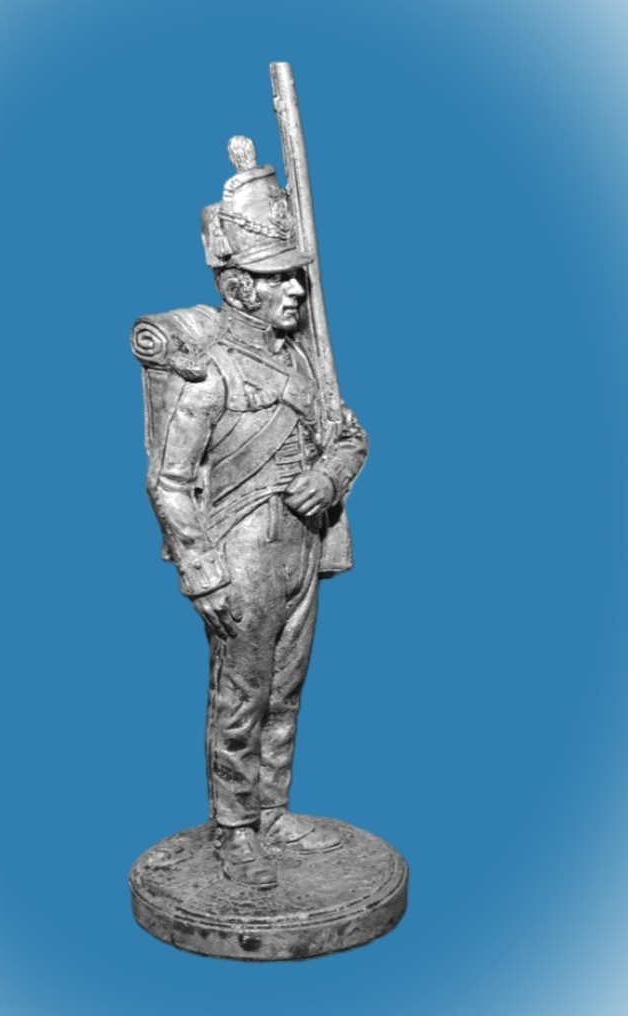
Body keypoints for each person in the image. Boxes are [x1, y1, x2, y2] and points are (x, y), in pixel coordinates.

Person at [131, 138, 367, 888]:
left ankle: (272, 810)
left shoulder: (303, 360)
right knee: (242, 695)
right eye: (277, 278)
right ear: (238, 288)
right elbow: (170, 482)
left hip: (302, 545)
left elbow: (350, 435)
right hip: (241, 552)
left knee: (286, 689)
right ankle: (234, 827)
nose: (296, 288)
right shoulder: (211, 372)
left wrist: (329, 477)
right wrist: (202, 573)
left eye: (296, 275)